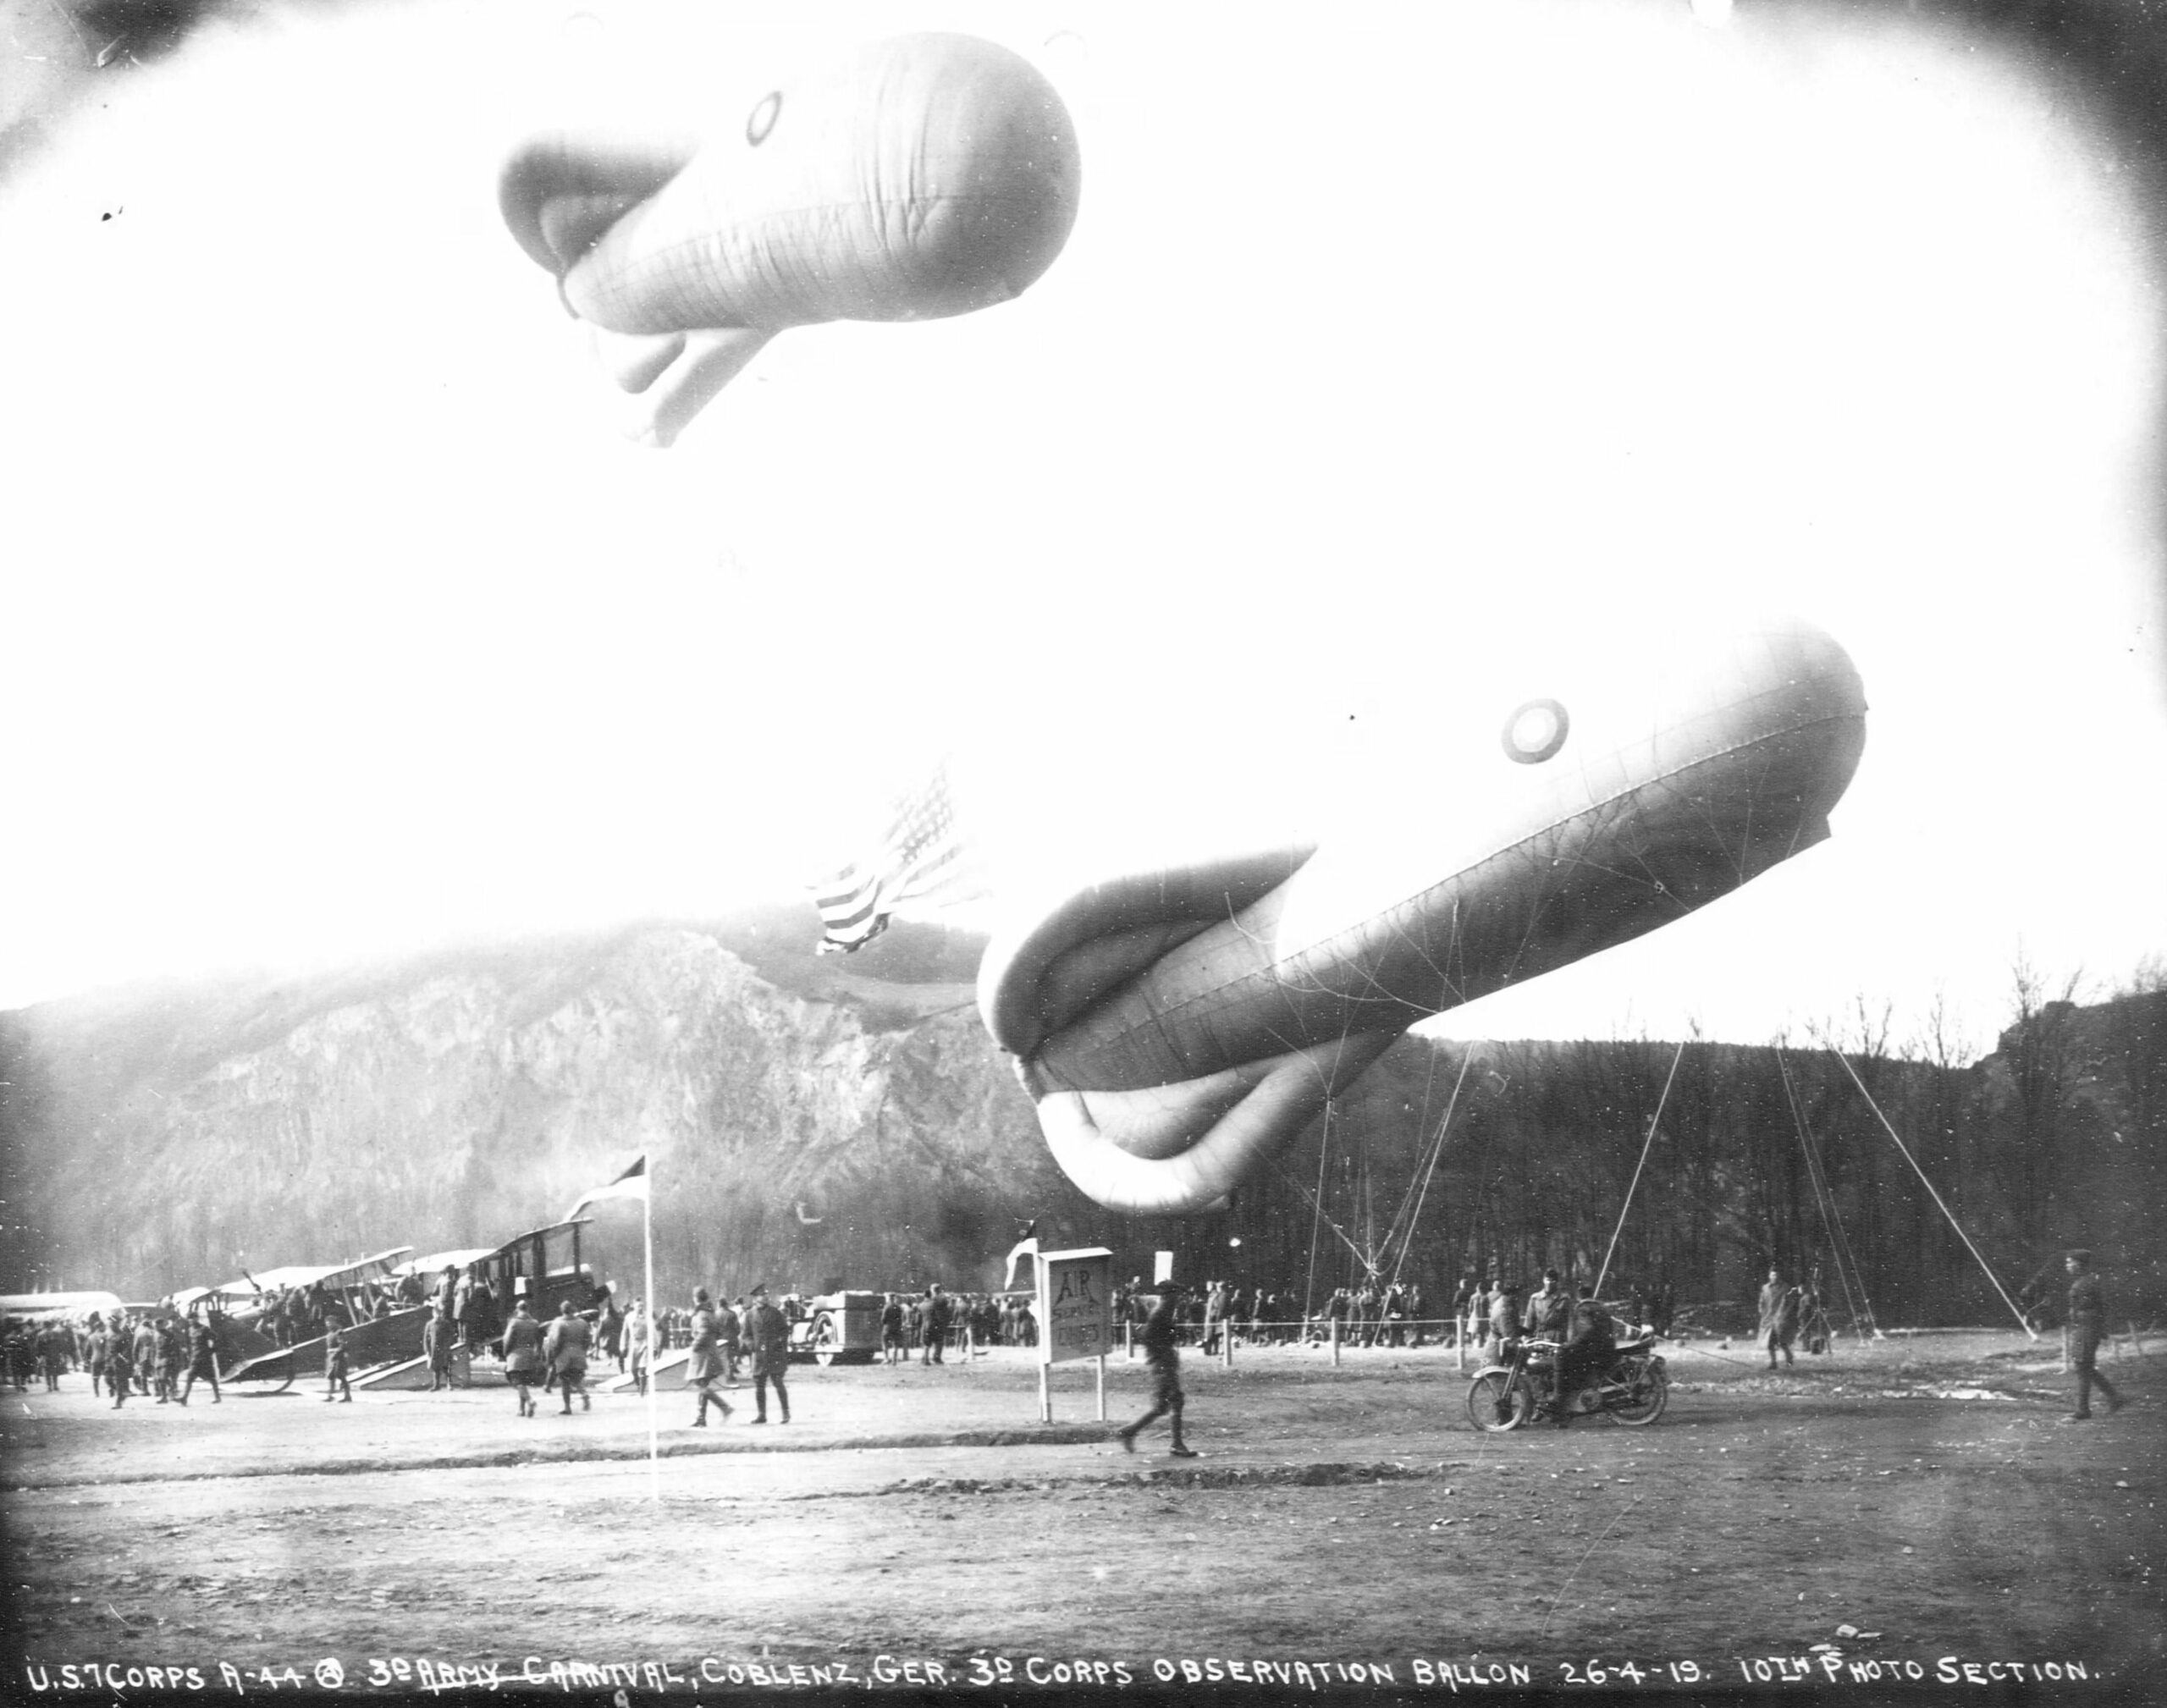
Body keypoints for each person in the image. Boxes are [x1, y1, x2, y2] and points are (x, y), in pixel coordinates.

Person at [1116, 1279, 1196, 1457]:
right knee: (1176, 1400)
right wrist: (1161, 1354)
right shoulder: (1160, 1313)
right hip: (1162, 1363)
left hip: (1163, 1361)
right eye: (1177, 1295)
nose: (1179, 1299)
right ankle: (1176, 1444)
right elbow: (1147, 1337)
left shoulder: (1165, 1312)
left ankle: (1129, 1432)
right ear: (1169, 1295)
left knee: (1161, 1406)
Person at [2063, 1249, 2125, 1422]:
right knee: (2085, 1367)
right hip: (2085, 1328)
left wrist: (2094, 1328)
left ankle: (2083, 1410)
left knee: (2082, 1366)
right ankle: (2114, 1398)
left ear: (2079, 1264)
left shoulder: (2085, 1283)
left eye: (2070, 1262)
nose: (2067, 1266)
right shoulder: (2088, 1281)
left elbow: (2093, 1307)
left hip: (2086, 1329)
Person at [1552, 1286, 1617, 1428]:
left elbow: (1587, 1330)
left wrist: (1569, 1345)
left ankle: (1559, 1400)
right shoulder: (1601, 1307)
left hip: (1594, 1351)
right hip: (1607, 1349)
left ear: (1579, 1297)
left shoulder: (1583, 1309)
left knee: (1561, 1357)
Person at [686, 1288, 733, 1427]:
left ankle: (724, 1408)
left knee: (701, 1386)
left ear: (696, 1298)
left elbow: (703, 1333)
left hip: (702, 1355)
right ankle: (702, 1418)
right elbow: (717, 1331)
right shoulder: (710, 1313)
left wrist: (694, 1345)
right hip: (709, 1353)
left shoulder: (701, 1314)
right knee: (702, 1385)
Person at [743, 1284, 790, 1424]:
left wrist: (778, 1342)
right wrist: (752, 1346)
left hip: (774, 1354)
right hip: (759, 1355)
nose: (765, 1297)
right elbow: (746, 1335)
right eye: (762, 1295)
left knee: (778, 1383)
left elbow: (784, 1331)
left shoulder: (775, 1312)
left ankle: (785, 1413)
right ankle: (761, 1415)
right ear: (756, 1298)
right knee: (759, 1386)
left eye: (766, 1294)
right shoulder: (750, 1314)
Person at [543, 1299, 592, 1414]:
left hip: (564, 1356)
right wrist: (583, 1351)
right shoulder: (582, 1323)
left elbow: (556, 1342)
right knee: (576, 1379)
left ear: (562, 1310)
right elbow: (588, 1340)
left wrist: (553, 1356)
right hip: (579, 1354)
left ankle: (567, 1407)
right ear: (572, 1310)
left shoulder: (559, 1323)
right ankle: (584, 1394)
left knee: (565, 1381)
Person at [499, 1298, 545, 1418]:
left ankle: (530, 1401)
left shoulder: (514, 1322)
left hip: (516, 1355)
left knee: (517, 1382)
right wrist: (537, 1354)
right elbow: (539, 1341)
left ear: (517, 1309)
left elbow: (507, 1340)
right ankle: (522, 1409)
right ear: (528, 1309)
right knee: (523, 1382)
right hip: (530, 1354)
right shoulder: (534, 1323)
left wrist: (505, 1353)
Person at [1758, 1268, 1796, 1370]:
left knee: (1782, 1341)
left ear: (1779, 1276)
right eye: (1772, 1275)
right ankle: (1773, 1362)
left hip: (1781, 1319)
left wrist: (1785, 1313)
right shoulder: (1765, 1288)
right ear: (1769, 1276)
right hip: (1768, 1319)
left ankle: (1789, 1358)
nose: (1774, 1277)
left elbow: (1791, 1302)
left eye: (1776, 1275)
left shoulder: (1785, 1287)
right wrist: (1761, 1311)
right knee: (1769, 1342)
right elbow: (1762, 1301)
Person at [1523, 1270, 1570, 1340]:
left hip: (1556, 1339)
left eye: (1552, 1281)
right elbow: (1529, 1322)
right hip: (1538, 1338)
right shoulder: (1535, 1299)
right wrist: (1525, 1339)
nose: (1549, 1283)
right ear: (1543, 1280)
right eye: (1547, 1280)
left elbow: (1569, 1324)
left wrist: (1568, 1343)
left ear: (1557, 1282)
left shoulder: (1563, 1299)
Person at [422, 1309, 456, 1392]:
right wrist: (427, 1350)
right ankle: (436, 1385)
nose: (438, 1316)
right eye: (436, 1314)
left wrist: (448, 1344)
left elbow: (451, 1335)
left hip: (444, 1348)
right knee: (435, 1368)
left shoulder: (446, 1324)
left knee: (446, 1367)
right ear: (433, 1314)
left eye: (439, 1314)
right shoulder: (430, 1324)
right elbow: (426, 1338)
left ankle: (449, 1384)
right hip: (433, 1349)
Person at [920, 1283, 951, 1365]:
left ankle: (925, 1358)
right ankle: (936, 1357)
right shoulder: (943, 1299)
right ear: (939, 1290)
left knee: (927, 1342)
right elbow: (946, 1311)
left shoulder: (929, 1300)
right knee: (939, 1342)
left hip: (927, 1324)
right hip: (939, 1323)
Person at [322, 1326, 353, 1402]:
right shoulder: (329, 1334)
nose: (328, 1324)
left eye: (330, 1322)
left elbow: (342, 1345)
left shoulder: (339, 1332)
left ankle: (347, 1396)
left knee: (341, 1376)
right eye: (327, 1323)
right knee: (331, 1376)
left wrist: (336, 1354)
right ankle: (330, 1395)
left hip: (339, 1358)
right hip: (332, 1357)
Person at [880, 1293, 907, 1365]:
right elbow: (901, 1319)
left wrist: (884, 1323)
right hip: (896, 1328)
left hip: (887, 1327)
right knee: (895, 1344)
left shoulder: (887, 1307)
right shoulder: (898, 1307)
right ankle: (894, 1360)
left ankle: (886, 1358)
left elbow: (883, 1319)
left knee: (885, 1342)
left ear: (889, 1298)